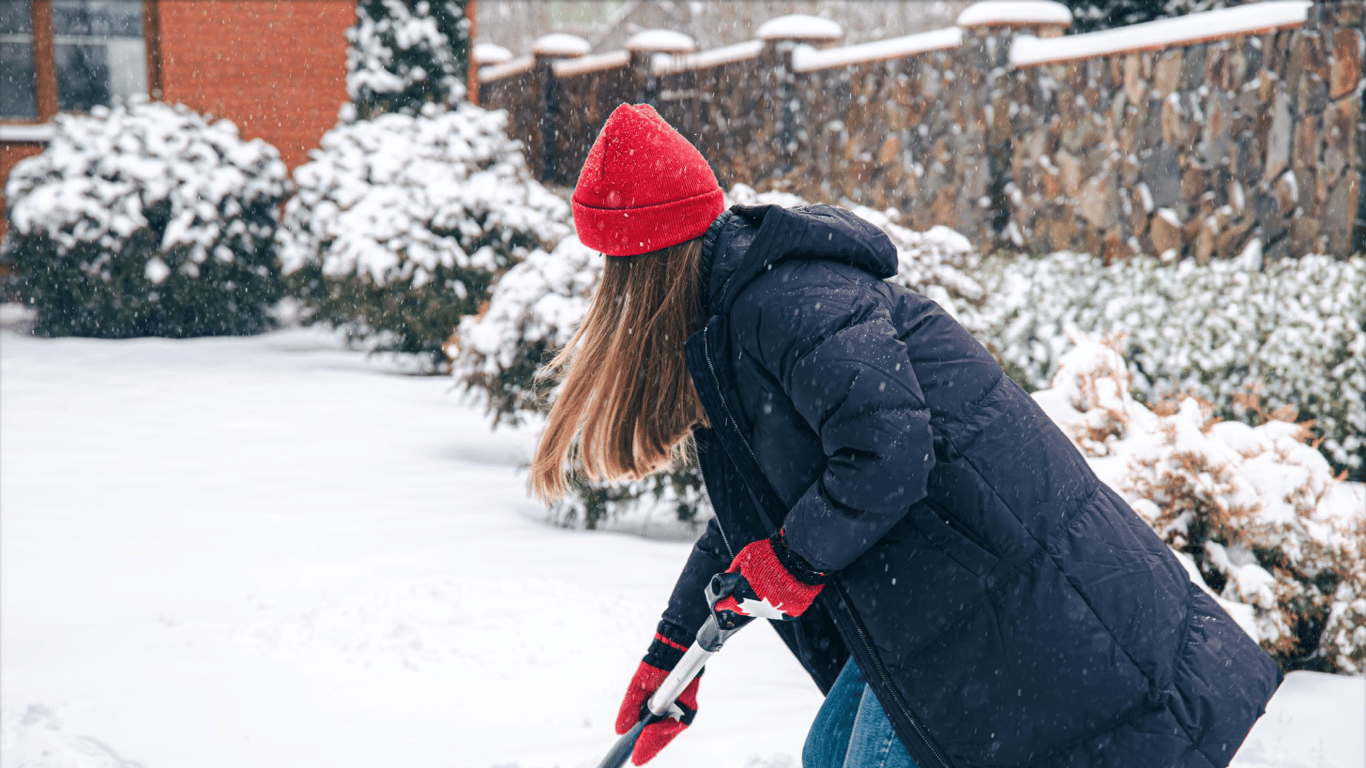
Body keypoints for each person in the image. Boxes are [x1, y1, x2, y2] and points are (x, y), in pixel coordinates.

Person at [531, 103, 1281, 768]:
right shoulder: (732, 321)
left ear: (645, 266)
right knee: (829, 754)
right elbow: (751, 522)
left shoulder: (788, 301)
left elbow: (888, 451)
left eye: (613, 270)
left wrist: (792, 561)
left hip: (1003, 599)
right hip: (934, 601)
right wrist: (673, 656)